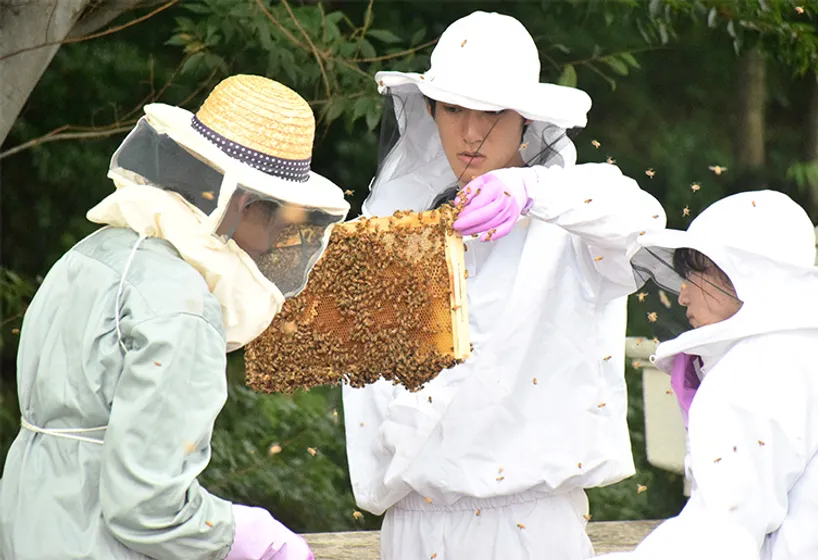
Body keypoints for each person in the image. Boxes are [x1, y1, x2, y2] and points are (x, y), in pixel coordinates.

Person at [342, 11, 667, 559]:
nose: (471, 132)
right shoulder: (396, 219)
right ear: (430, 110)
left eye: (493, 112)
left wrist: (532, 189)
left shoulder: (571, 218)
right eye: (453, 109)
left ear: (527, 118)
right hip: (409, 528)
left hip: (527, 528)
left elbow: (643, 222)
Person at [0, 75, 350, 559]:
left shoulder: (91, 253)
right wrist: (236, 534)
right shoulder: (182, 305)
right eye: (284, 219)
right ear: (246, 204)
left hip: (31, 529)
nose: (278, 242)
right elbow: (149, 509)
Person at [599, 190, 818, 560]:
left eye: (695, 274)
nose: (681, 297)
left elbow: (718, 537)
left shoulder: (754, 371)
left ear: (740, 273)